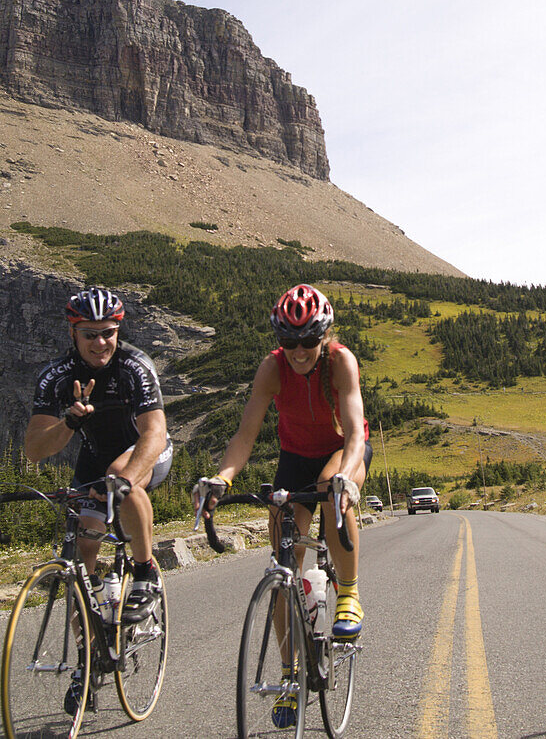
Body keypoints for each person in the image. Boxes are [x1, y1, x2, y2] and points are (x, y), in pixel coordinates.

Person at [194, 284, 370, 728]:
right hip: (295, 457)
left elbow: (353, 432)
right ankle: (290, 674)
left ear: (324, 336)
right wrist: (223, 478)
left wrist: (348, 476)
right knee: (282, 568)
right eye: (289, 341)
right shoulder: (271, 368)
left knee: (332, 488)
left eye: (309, 340)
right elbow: (245, 436)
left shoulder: (340, 361)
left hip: (341, 451)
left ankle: (348, 596)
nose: (299, 351)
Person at [24, 286, 172, 710]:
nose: (100, 342)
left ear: (117, 330)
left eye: (108, 332)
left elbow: (154, 432)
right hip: (93, 456)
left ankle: (144, 572)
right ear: (74, 332)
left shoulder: (134, 365)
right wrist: (68, 421)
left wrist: (126, 478)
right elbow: (35, 448)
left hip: (147, 449)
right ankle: (88, 662)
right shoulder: (56, 375)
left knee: (119, 480)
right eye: (90, 334)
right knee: (82, 548)